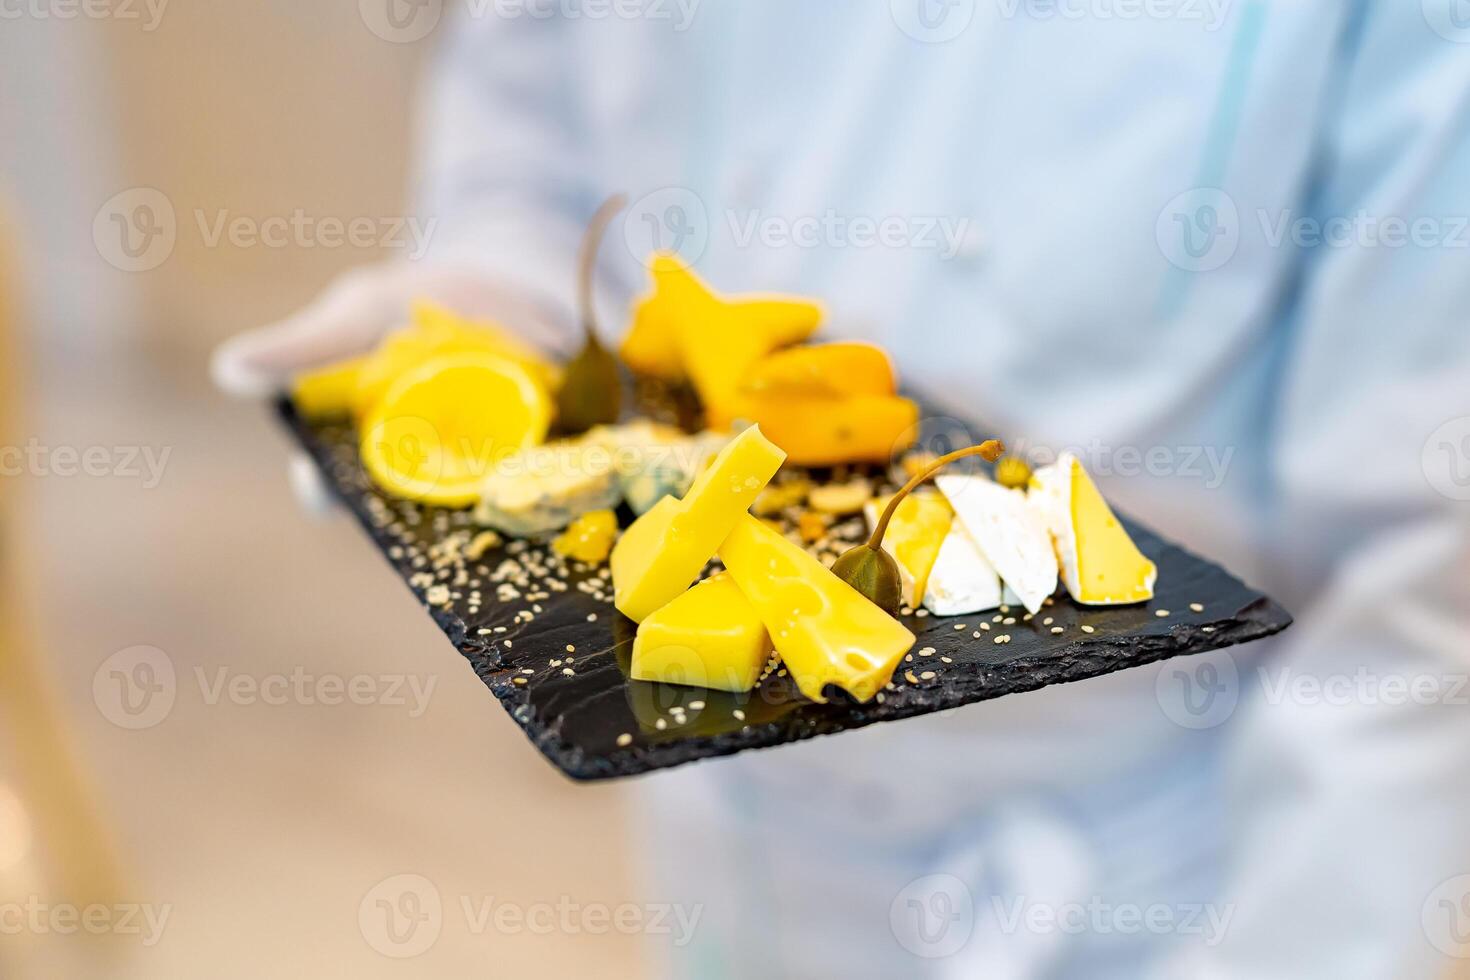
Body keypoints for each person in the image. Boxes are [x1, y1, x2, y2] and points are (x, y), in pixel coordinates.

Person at [213, 4, 1470, 976]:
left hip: (1163, 879)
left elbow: (1420, 563)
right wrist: (488, 313)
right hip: (733, 825)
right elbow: (536, 134)